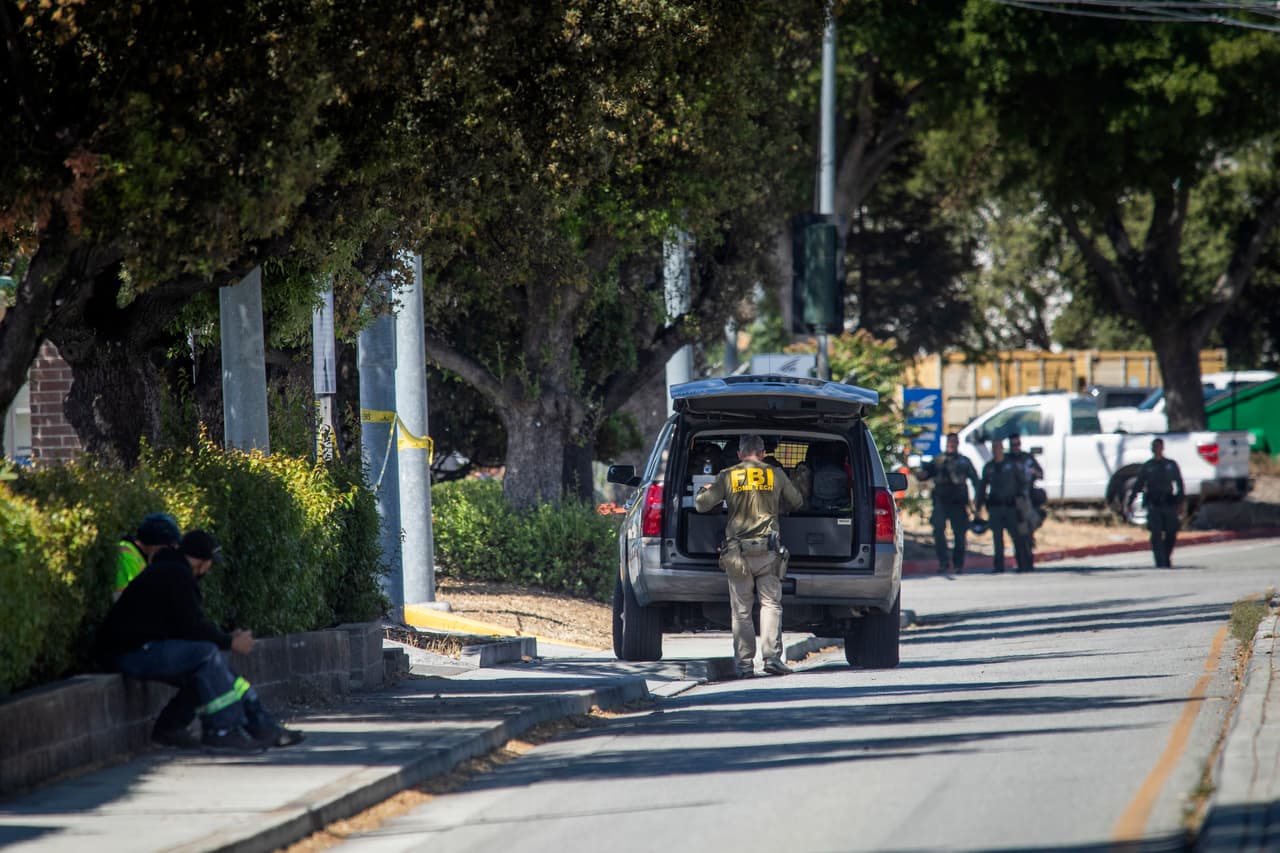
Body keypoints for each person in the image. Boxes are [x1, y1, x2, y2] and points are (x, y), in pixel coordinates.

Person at [97, 530, 303, 752]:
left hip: (132, 650)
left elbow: (186, 626)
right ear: (204, 563)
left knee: (206, 667)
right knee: (207, 656)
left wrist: (225, 638)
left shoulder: (170, 571)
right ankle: (223, 730)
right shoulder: (177, 575)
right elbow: (192, 627)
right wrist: (229, 642)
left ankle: (255, 726)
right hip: (131, 653)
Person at [695, 434, 803, 678]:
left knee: (742, 611)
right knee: (770, 604)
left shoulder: (727, 475)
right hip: (768, 551)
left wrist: (706, 488)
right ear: (763, 454)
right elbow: (797, 501)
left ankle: (744, 665)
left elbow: (702, 505)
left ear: (739, 454)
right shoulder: (775, 473)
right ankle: (772, 658)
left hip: (737, 554)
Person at [915, 432, 980, 574]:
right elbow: (925, 474)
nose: (951, 445)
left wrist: (977, 500)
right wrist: (920, 473)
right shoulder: (938, 460)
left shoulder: (964, 461)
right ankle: (943, 562)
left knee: (960, 534)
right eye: (949, 442)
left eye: (954, 442)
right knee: (938, 531)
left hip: (958, 502)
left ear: (957, 444)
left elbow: (975, 480)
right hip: (941, 501)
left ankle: (958, 564)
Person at [976, 440, 1033, 573]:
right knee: (997, 538)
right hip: (995, 507)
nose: (996, 451)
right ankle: (999, 565)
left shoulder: (1012, 465)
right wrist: (978, 507)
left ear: (1002, 449)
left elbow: (1022, 483)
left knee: (1017, 537)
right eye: (994, 448)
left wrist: (1022, 501)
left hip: (1011, 507)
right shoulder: (989, 467)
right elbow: (982, 488)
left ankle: (1023, 564)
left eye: (998, 448)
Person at [1132, 438, 1185, 568]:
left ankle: (1166, 556)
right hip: (1153, 503)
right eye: (1154, 447)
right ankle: (1160, 560)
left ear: (1162, 448)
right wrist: (1131, 500)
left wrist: (1180, 502)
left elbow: (1179, 483)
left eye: (1158, 446)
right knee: (1156, 533)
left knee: (1171, 532)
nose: (1156, 449)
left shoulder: (1170, 465)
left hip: (1168, 502)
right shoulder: (1148, 466)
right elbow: (1139, 484)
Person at [114, 512, 182, 600]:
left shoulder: (140, 557)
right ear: (157, 542)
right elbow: (123, 598)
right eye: (168, 547)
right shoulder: (126, 555)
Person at [1007, 433, 1047, 532]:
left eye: (1018, 444)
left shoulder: (1027, 457)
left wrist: (1032, 471)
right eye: (1013, 445)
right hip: (1012, 495)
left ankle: (1028, 535)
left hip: (1027, 493)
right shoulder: (1007, 459)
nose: (1016, 447)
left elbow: (1041, 474)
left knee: (1028, 521)